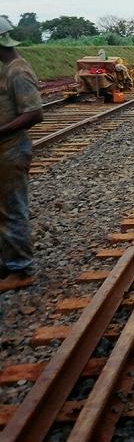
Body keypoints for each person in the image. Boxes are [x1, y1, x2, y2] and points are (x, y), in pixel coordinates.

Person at [0, 17, 43, 289]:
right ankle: (8, 264)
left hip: (11, 149)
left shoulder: (18, 71)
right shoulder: (7, 69)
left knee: (12, 209)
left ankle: (21, 270)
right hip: (5, 149)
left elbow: (34, 113)